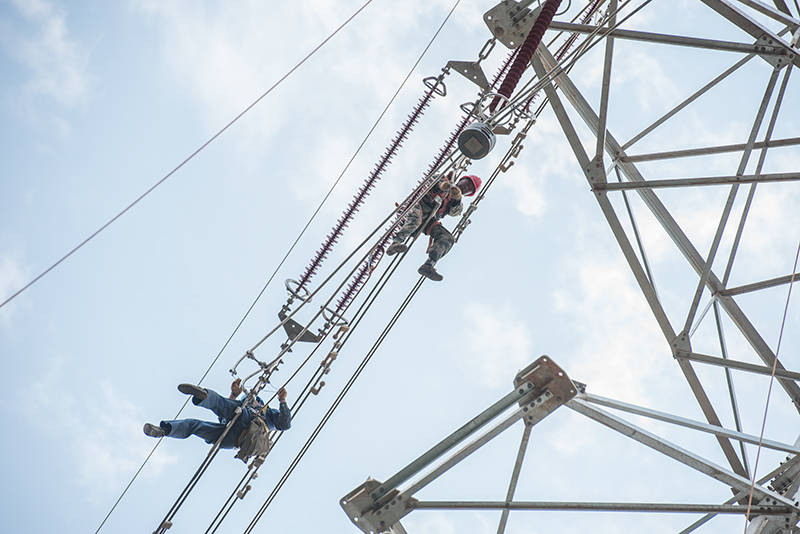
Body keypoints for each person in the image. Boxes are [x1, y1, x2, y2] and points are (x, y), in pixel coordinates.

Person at [143, 379, 291, 453]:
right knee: (195, 424)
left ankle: (205, 396)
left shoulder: (268, 415)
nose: (254, 402)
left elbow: (285, 424)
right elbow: (225, 417)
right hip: (230, 437)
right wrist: (233, 395)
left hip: (248, 433)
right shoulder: (243, 405)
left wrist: (282, 401)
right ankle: (164, 430)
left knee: (229, 406)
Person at [386, 172, 481, 281]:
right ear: (462, 179)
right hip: (418, 205)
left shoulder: (457, 202)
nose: (466, 187)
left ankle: (429, 264)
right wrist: (445, 186)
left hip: (429, 219)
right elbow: (435, 182)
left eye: (469, 188)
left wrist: (457, 198)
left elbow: (455, 212)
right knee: (416, 220)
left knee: (448, 238)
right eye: (467, 183)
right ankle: (395, 243)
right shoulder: (443, 178)